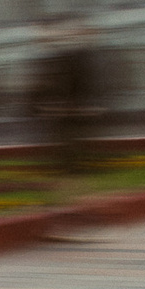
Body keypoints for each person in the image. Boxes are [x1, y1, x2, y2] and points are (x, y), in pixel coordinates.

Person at [23, 15, 112, 230]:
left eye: (44, 32)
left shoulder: (69, 57)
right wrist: (42, 109)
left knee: (71, 169)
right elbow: (35, 93)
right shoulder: (46, 58)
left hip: (69, 124)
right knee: (67, 169)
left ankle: (73, 213)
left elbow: (81, 88)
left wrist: (81, 107)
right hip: (56, 124)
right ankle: (68, 213)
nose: (41, 37)